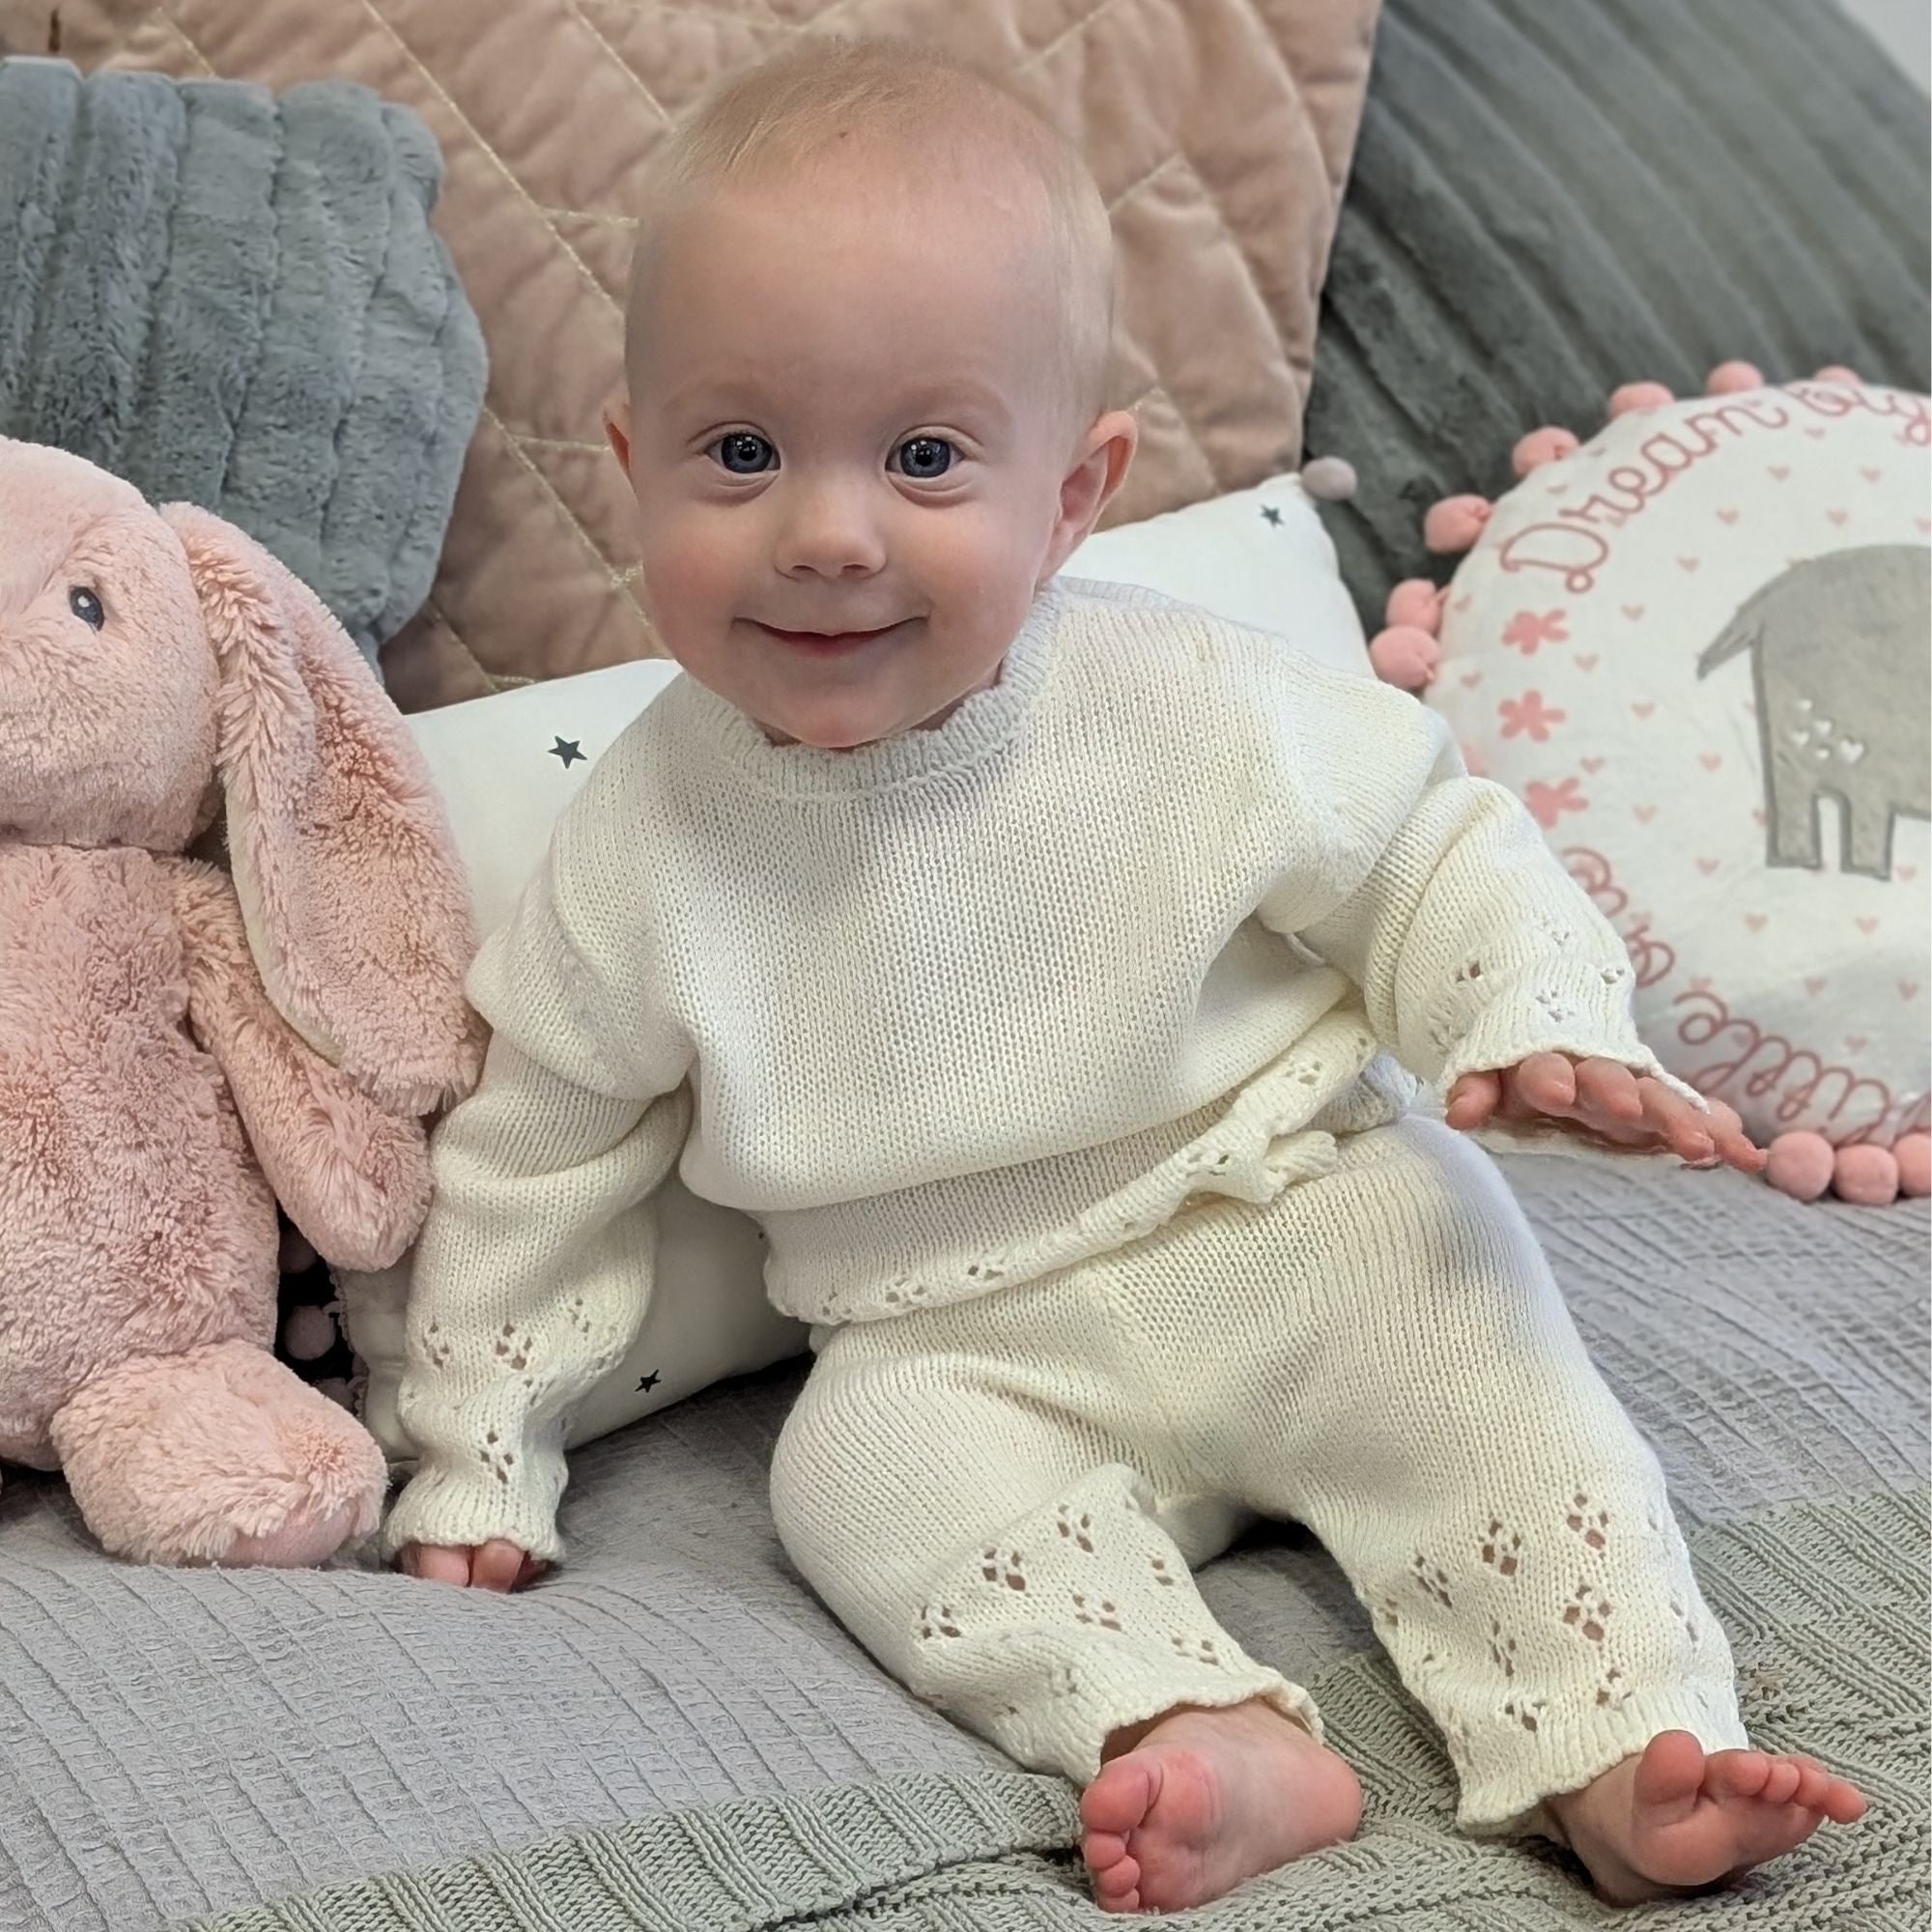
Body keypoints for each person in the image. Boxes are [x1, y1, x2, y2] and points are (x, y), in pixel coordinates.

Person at [384, 39, 1864, 1915]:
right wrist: (477, 1450)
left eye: (925, 457)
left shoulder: (1190, 703)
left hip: (1291, 1206)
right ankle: (1190, 1722)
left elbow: (1427, 850)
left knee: (1484, 1355)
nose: (825, 530)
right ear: (628, 466)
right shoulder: (641, 841)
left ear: (1071, 497)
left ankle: (1614, 1737)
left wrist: (1527, 1019)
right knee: (851, 1480)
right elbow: (542, 1145)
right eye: (739, 451)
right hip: (950, 1328)